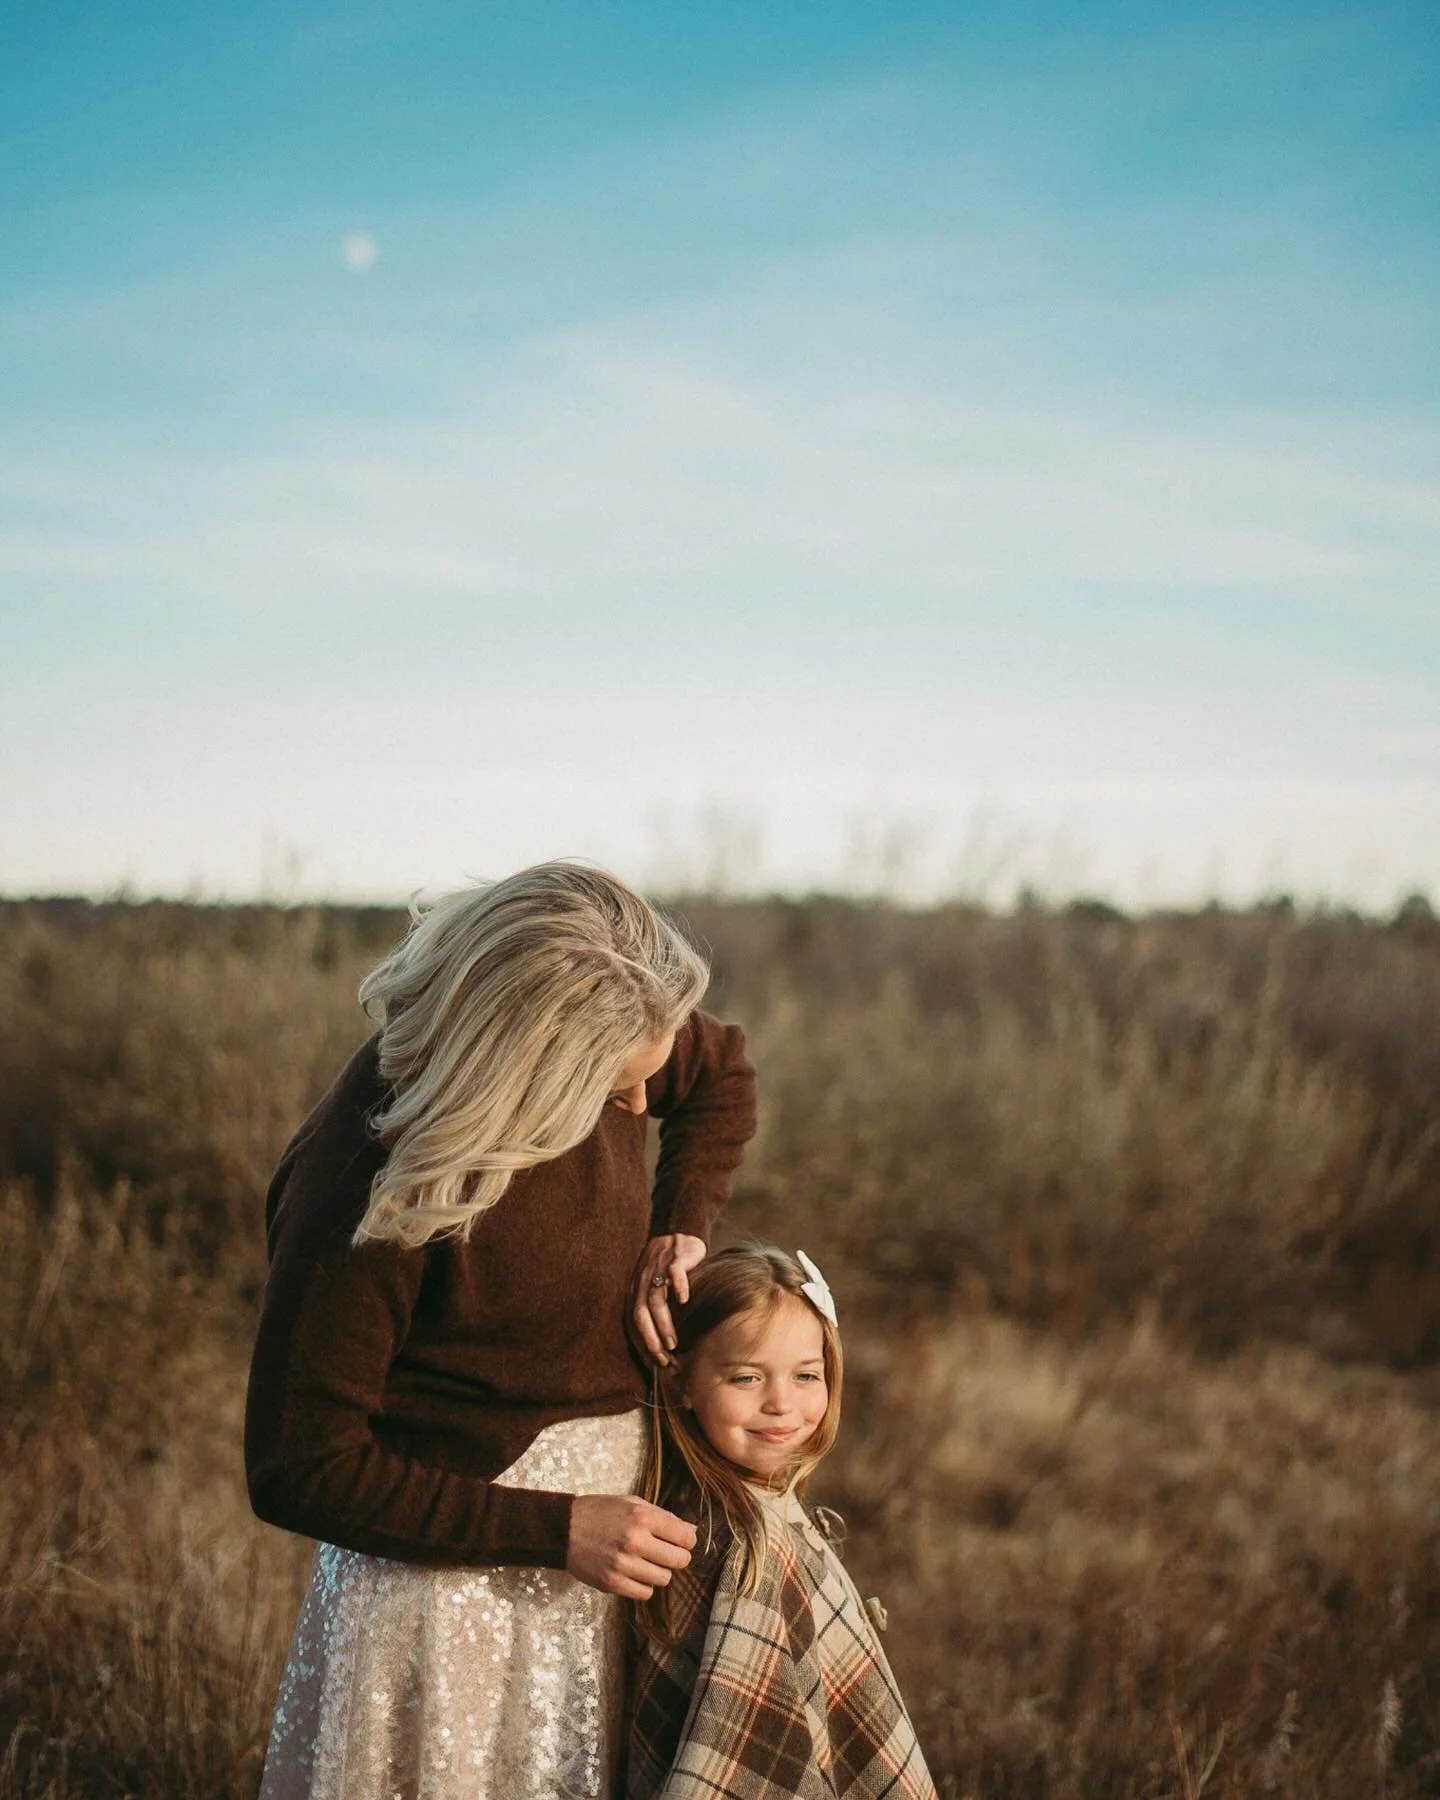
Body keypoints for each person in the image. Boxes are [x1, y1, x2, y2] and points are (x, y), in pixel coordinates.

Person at [244, 862, 757, 1800]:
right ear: (527, 1057)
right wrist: (554, 1529)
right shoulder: (369, 1185)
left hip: (600, 1582)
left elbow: (719, 1074)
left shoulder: (627, 1028)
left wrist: (678, 1219)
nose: (639, 1108)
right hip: (443, 1616)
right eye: (614, 1090)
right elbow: (298, 1464)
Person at [627, 1246, 937, 1800]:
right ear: (682, 1384)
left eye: (805, 1375)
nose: (781, 1403)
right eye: (746, 1378)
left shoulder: (767, 1505)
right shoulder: (740, 1546)